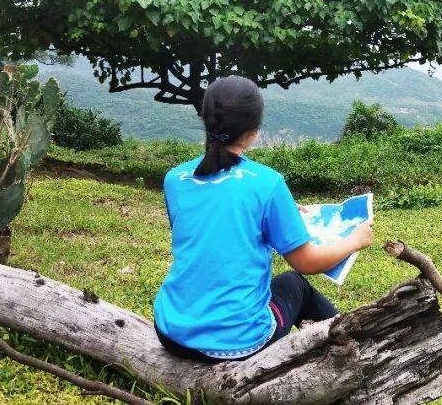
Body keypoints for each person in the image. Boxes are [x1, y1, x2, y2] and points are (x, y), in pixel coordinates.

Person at [153, 76, 374, 363]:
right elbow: (307, 263)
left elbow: (212, 229)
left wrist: (280, 212)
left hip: (172, 332)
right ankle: (358, 352)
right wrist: (354, 240)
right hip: (238, 341)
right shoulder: (267, 183)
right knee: (296, 284)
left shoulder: (175, 178)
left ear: (206, 120)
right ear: (254, 130)